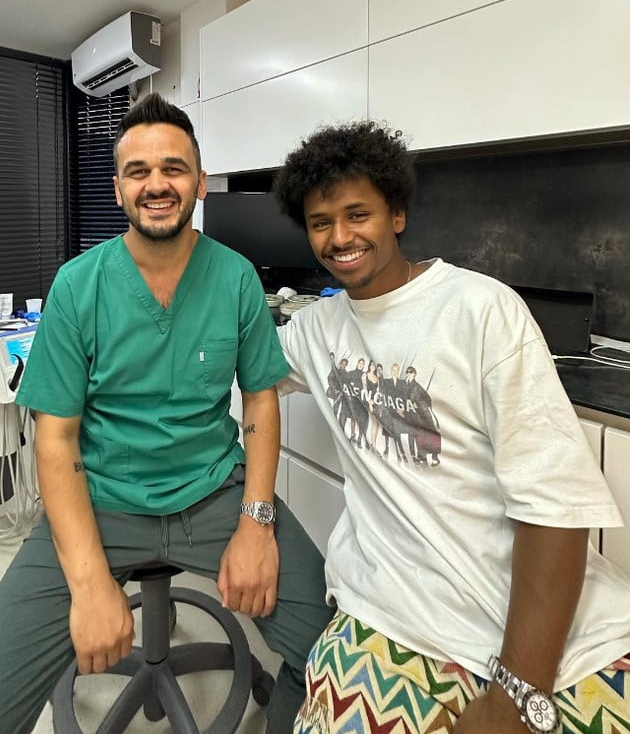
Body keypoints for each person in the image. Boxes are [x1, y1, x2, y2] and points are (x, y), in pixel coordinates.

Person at [273, 121, 630, 733]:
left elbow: (555, 508)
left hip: (558, 633)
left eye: (358, 214)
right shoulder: (316, 330)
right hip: (396, 614)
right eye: (320, 222)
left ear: (397, 214)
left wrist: (516, 694)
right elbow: (228, 356)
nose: (340, 237)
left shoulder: (480, 310)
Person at [0, 93, 332, 734]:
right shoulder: (79, 286)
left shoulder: (235, 278)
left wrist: (257, 522)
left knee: (331, 652)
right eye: (139, 171)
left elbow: (260, 398)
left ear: (200, 182)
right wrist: (89, 584)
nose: (157, 184)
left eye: (174, 168)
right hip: (101, 499)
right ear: (119, 189)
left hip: (215, 493)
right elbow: (56, 439)